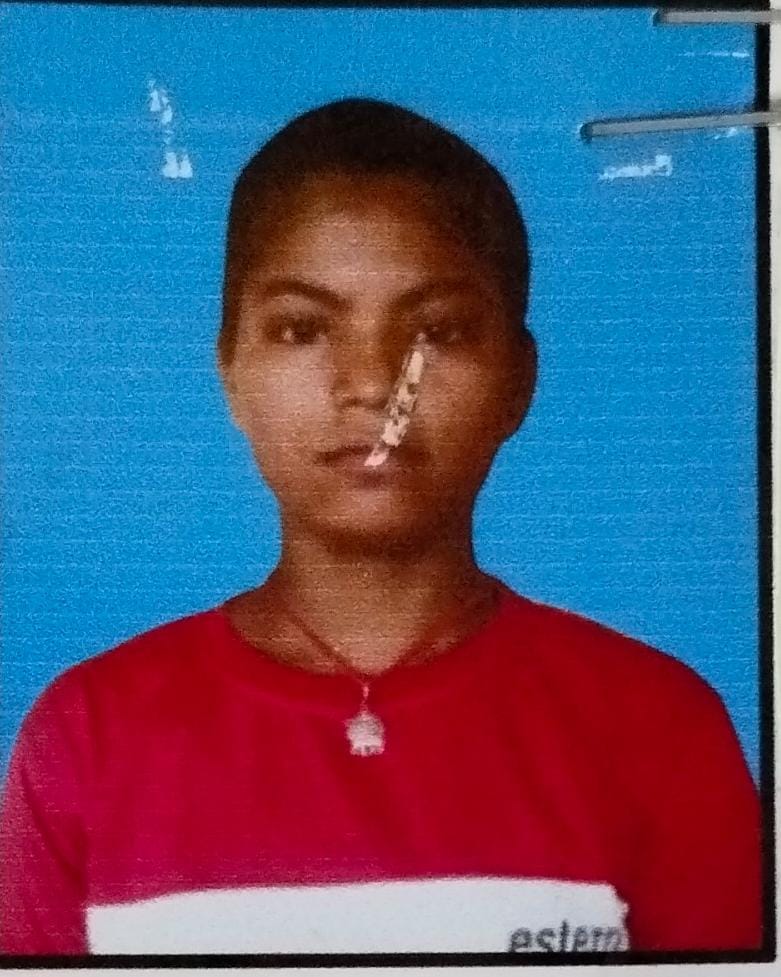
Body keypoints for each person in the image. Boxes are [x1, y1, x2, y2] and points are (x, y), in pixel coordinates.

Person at [0, 97, 762, 955]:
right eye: (301, 328)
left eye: (436, 330)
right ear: (231, 371)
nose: (369, 382)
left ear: (518, 381)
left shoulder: (655, 728)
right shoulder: (89, 739)